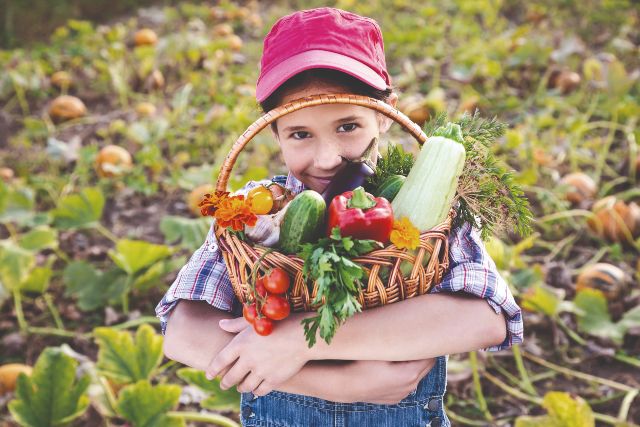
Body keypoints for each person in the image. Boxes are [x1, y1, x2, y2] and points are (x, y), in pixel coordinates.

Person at [156, 7, 523, 427]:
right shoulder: (247, 211)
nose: (327, 158)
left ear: (386, 115)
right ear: (272, 130)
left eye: (347, 126)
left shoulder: (429, 210)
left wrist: (302, 338)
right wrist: (342, 383)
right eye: (300, 134)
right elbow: (184, 334)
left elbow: (487, 319)